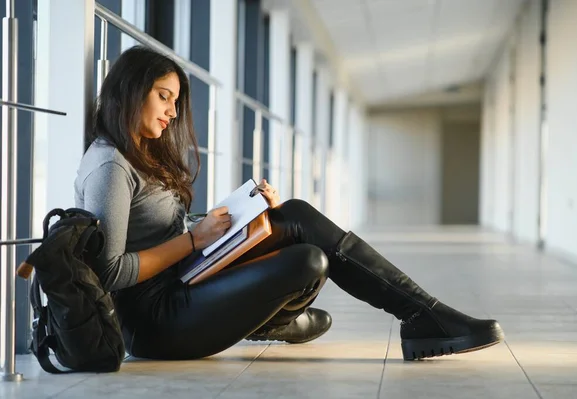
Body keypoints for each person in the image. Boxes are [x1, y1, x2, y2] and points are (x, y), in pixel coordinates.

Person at [75, 46, 504, 362]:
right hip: (155, 323)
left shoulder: (142, 152)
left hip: (184, 280)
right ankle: (278, 320)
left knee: (293, 219)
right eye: (163, 96)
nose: (172, 112)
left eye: (175, 100)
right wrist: (192, 241)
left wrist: (240, 216)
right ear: (131, 91)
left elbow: (165, 228)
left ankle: (422, 314)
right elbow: (109, 273)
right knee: (309, 261)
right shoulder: (110, 166)